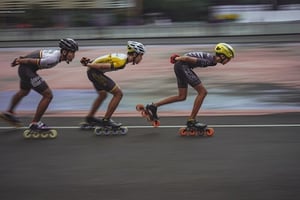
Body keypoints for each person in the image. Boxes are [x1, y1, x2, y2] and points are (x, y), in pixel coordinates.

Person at [145, 43, 235, 127]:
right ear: (222, 56)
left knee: (181, 96)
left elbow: (189, 58)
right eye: (229, 58)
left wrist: (178, 59)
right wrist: (177, 58)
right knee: (202, 92)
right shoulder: (209, 61)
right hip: (182, 65)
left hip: (180, 66)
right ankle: (191, 120)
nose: (229, 61)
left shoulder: (211, 59)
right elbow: (187, 59)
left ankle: (153, 106)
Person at [0, 38, 79, 130]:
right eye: (72, 52)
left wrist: (22, 58)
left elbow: (36, 54)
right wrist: (20, 60)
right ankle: (35, 123)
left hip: (26, 69)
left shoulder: (56, 55)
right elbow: (31, 61)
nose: (73, 55)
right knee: (48, 95)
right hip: (27, 70)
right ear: (64, 52)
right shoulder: (53, 59)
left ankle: (9, 112)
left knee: (24, 91)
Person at [80, 40, 146, 127]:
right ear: (134, 54)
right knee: (118, 94)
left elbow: (102, 60)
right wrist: (88, 64)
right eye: (141, 55)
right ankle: (106, 120)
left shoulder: (122, 58)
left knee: (102, 95)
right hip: (94, 72)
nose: (141, 58)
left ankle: (90, 118)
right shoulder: (121, 61)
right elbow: (102, 66)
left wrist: (89, 62)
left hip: (93, 72)